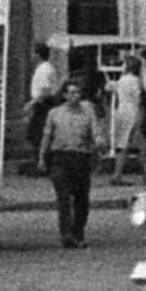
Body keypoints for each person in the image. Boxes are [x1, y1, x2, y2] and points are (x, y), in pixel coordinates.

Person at [39, 78, 104, 247]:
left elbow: (95, 131)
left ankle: (78, 232)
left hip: (81, 157)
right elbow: (47, 135)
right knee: (64, 197)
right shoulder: (55, 113)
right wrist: (42, 156)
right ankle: (66, 233)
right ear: (65, 95)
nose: (75, 96)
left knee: (81, 198)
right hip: (60, 157)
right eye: (72, 92)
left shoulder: (88, 112)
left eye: (78, 92)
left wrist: (99, 142)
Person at [104, 56, 146, 183]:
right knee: (142, 143)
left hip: (121, 110)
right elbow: (139, 98)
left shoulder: (121, 80)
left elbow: (109, 88)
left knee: (122, 144)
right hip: (133, 111)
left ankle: (118, 173)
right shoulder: (136, 81)